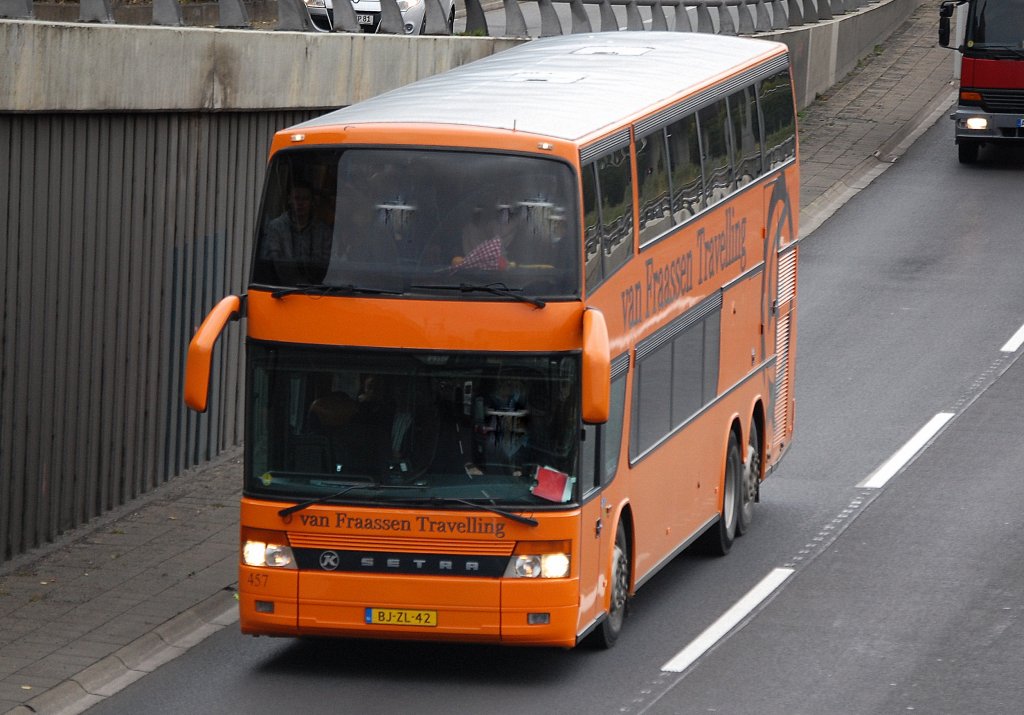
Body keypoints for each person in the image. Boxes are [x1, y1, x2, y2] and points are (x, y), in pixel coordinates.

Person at [261, 183, 332, 285]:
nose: (300, 203)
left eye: (305, 199)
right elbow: (271, 262)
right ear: (289, 200)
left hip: (316, 291)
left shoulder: (323, 230)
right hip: (282, 290)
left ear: (312, 202)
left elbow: (325, 263)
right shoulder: (275, 228)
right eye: (297, 198)